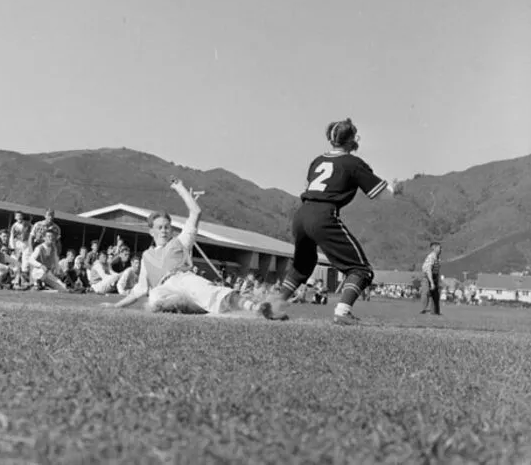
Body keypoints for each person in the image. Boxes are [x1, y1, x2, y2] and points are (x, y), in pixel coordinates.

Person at [275, 118, 403, 325]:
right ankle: (343, 311)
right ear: (352, 139)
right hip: (323, 215)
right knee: (361, 270)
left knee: (302, 265)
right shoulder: (353, 163)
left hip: (301, 213)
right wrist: (396, 189)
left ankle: (275, 304)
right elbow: (381, 195)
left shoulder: (317, 161)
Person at [104, 178, 277, 319]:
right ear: (151, 231)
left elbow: (196, 212)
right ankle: (201, 308)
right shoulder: (146, 256)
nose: (164, 230)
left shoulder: (180, 241)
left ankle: (256, 307)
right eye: (160, 227)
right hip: (166, 289)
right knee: (154, 298)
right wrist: (116, 305)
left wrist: (180, 188)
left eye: (167, 226)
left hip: (183, 279)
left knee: (210, 292)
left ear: (171, 229)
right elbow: (140, 290)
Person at [420, 242, 442, 316]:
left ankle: (435, 311)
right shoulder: (431, 257)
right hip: (427, 277)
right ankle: (423, 310)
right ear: (434, 248)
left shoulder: (438, 258)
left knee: (435, 294)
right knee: (426, 292)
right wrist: (431, 282)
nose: (441, 249)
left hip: (434, 276)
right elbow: (428, 270)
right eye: (439, 248)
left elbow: (437, 271)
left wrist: (437, 282)